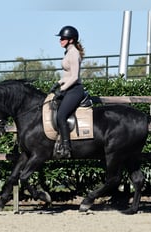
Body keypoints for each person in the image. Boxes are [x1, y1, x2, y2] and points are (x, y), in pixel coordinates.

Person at [50, 25, 85, 158]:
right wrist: (58, 84)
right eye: (60, 38)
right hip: (68, 88)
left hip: (75, 90)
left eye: (63, 38)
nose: (60, 40)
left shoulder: (74, 53)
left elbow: (75, 77)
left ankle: (66, 148)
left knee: (61, 115)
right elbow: (67, 75)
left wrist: (62, 89)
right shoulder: (68, 52)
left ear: (71, 40)